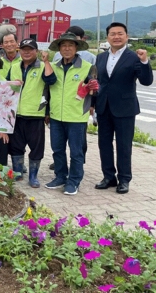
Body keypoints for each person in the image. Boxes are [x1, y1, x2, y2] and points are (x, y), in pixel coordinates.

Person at [94, 22, 153, 194]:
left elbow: (146, 81)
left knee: (124, 145)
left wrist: (144, 61)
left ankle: (124, 179)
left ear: (126, 36)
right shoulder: (101, 57)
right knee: (104, 144)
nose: (116, 37)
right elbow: (99, 82)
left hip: (125, 108)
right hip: (103, 107)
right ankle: (108, 177)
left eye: (120, 33)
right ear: (108, 37)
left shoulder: (134, 57)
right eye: (113, 34)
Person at [45, 33, 97, 195]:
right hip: (56, 116)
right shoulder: (53, 66)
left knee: (76, 151)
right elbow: (46, 90)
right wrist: (47, 112)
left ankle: (74, 181)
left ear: (76, 48)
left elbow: (94, 91)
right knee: (57, 149)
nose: (67, 48)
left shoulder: (88, 67)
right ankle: (60, 176)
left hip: (76, 117)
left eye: (70, 45)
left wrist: (93, 104)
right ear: (59, 49)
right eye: (63, 46)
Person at [7, 38, 56, 188]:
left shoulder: (43, 66)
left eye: (30, 49)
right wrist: (12, 84)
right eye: (23, 49)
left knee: (36, 147)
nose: (26, 52)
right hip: (16, 114)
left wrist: (46, 61)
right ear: (19, 51)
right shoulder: (14, 66)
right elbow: (6, 87)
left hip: (36, 114)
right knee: (15, 145)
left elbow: (51, 80)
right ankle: (17, 171)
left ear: (36, 51)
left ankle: (33, 176)